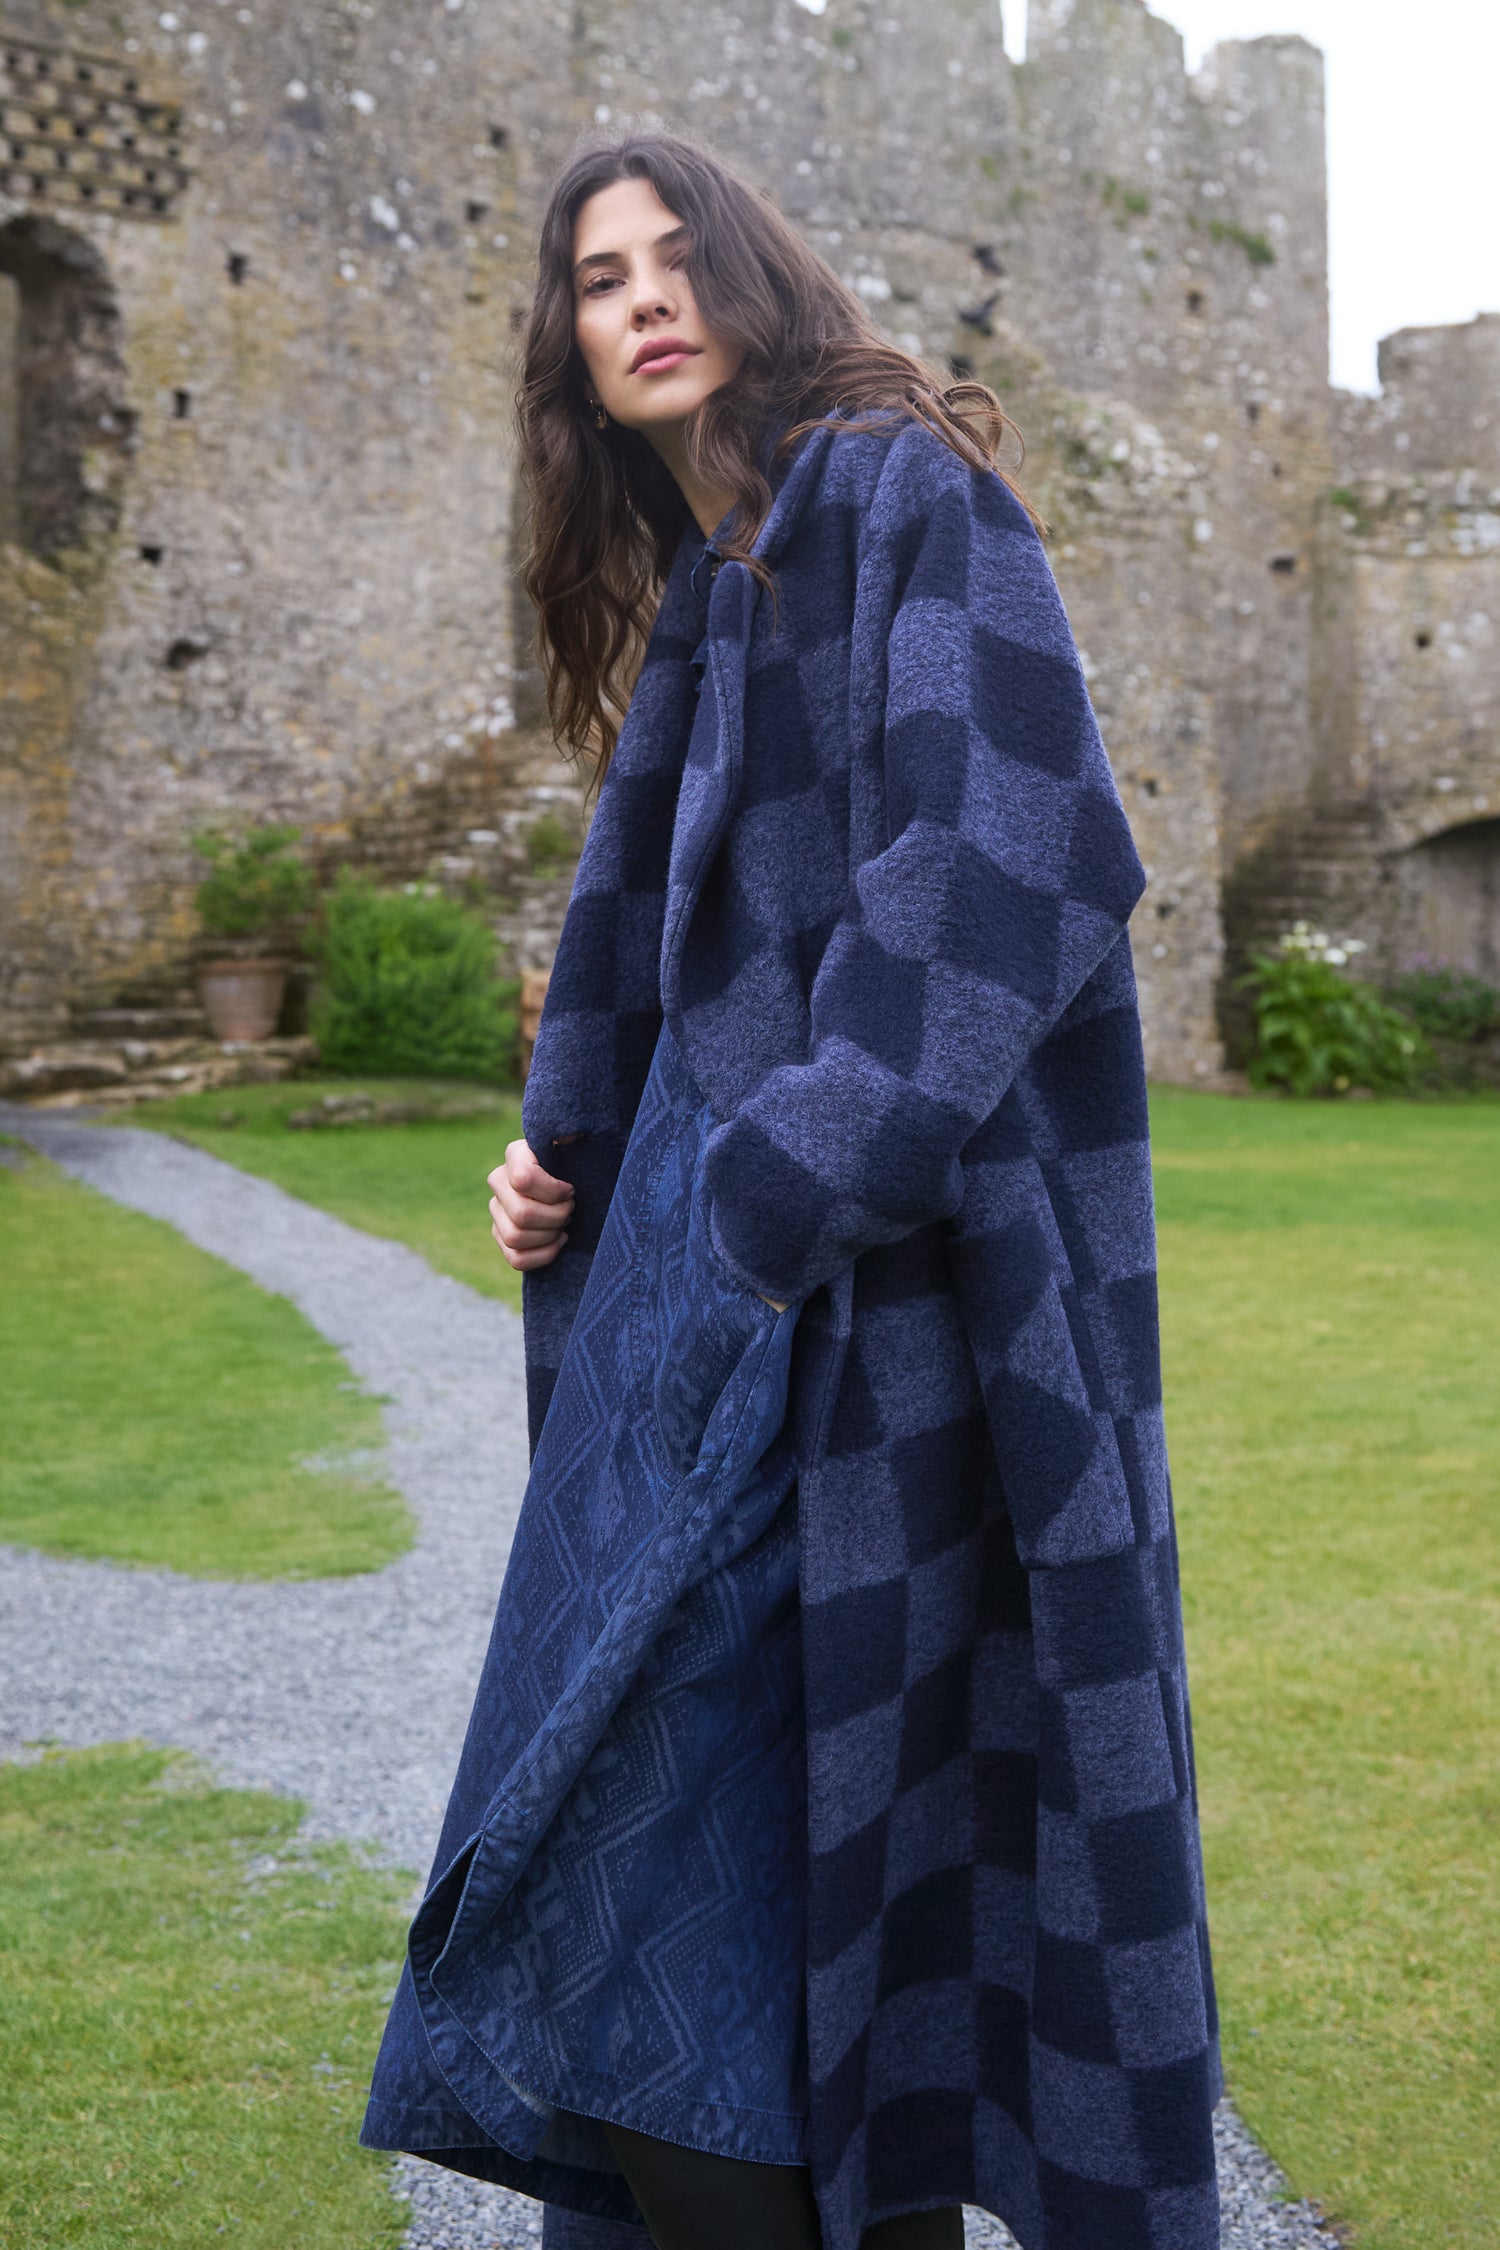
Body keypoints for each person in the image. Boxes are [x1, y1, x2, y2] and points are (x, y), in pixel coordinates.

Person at [362, 133, 1221, 2250]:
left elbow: (1012, 868)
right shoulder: (713, 591)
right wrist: (579, 1159)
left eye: (676, 259)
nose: (641, 297)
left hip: (860, 1312)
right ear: (567, 346)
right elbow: (683, 970)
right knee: (728, 1872)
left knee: (730, 1852)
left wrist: (759, 1190)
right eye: (595, 279)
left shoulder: (899, 490)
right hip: (714, 1300)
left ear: (755, 276)